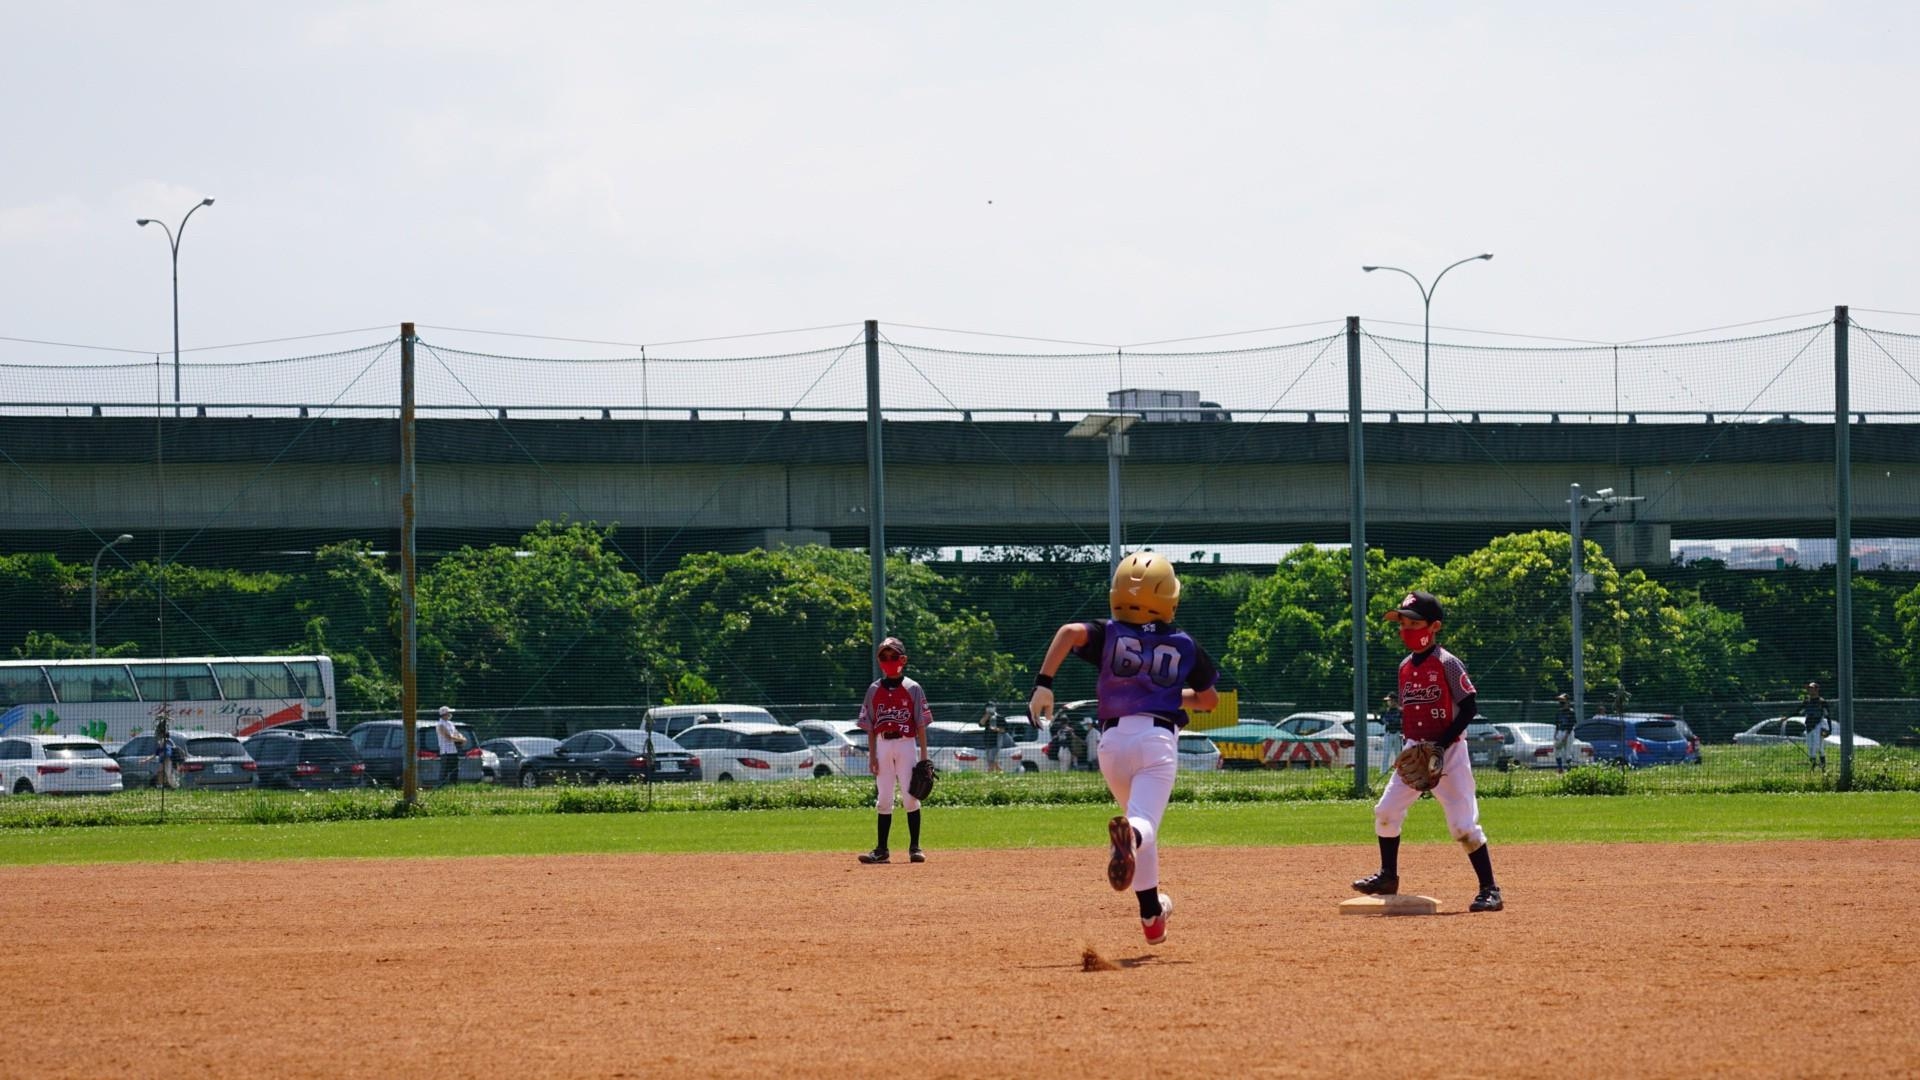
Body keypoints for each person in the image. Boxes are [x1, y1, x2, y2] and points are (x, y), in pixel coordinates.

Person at [1029, 552, 1219, 946]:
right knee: (1140, 827)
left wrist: (1044, 684)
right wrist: (1169, 694)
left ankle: (1152, 916)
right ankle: (1130, 842)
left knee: (1139, 828)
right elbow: (1208, 700)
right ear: (1168, 597)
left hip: (1112, 745)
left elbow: (1068, 632)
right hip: (1156, 741)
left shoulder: (1109, 632)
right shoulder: (1184, 643)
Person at [1352, 590, 1504, 913]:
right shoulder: (1404, 667)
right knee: (1386, 812)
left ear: (1434, 626)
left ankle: (1490, 889)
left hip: (1450, 751)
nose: (1405, 629)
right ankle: (1388, 876)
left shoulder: (1448, 663)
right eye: (1402, 623)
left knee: (1463, 826)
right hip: (1415, 751)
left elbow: (1469, 708)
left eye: (1413, 623)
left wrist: (1441, 745)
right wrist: (1414, 747)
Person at [855, 637, 933, 865]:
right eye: (884, 656)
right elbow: (870, 726)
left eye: (893, 656)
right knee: (884, 798)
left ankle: (915, 848)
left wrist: (924, 757)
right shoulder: (874, 690)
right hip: (883, 745)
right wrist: (872, 756)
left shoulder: (912, 688)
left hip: (906, 743)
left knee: (911, 797)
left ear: (903, 659)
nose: (889, 660)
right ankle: (882, 851)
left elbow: (920, 724)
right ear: (879, 660)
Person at [433, 705, 467, 787]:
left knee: (454, 770)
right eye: (449, 712)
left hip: (453, 750)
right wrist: (461, 740)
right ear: (444, 714)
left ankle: (453, 787)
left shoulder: (450, 723)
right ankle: (441, 787)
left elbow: (456, 733)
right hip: (446, 752)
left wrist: (462, 738)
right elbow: (448, 737)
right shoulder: (440, 725)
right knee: (445, 771)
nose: (450, 714)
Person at [1802, 682, 1831, 771]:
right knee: (1810, 747)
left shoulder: (1822, 702)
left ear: (1817, 689)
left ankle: (1822, 768)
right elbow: (1798, 710)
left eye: (1811, 688)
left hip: (1818, 726)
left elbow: (1828, 716)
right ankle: (1813, 767)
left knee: (1818, 748)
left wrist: (1830, 729)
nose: (1809, 690)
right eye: (1808, 688)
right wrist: (1787, 717)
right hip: (1809, 726)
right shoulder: (1807, 701)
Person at [148, 715, 182, 790]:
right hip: (165, 759)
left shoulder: (167, 742)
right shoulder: (163, 741)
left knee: (169, 774)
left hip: (168, 759)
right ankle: (168, 786)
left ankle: (176, 786)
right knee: (164, 773)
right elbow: (157, 752)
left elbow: (167, 752)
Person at [1553, 692, 1577, 772]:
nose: (1560, 702)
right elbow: (1557, 724)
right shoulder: (1559, 712)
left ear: (1567, 701)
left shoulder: (1571, 712)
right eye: (1560, 700)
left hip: (1568, 733)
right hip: (1560, 732)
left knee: (1568, 752)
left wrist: (1566, 736)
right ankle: (1560, 769)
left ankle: (1569, 769)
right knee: (1557, 750)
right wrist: (1555, 733)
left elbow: (1571, 725)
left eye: (1562, 700)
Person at [979, 703, 1006, 773]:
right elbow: (981, 724)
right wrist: (986, 716)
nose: (989, 709)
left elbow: (1004, 730)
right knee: (990, 760)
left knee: (992, 759)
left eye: (991, 707)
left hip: (996, 741)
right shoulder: (986, 717)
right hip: (987, 741)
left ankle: (989, 773)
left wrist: (996, 729)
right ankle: (1000, 772)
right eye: (987, 707)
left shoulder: (999, 717)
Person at [1379, 693, 1403, 771]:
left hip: (1398, 734)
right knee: (1386, 753)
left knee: (1398, 753)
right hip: (1388, 733)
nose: (1388, 702)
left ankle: (1399, 770)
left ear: (1394, 701)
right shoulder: (1385, 711)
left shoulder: (1400, 711)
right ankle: (1384, 771)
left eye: (1389, 700)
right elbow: (1382, 722)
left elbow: (1402, 722)